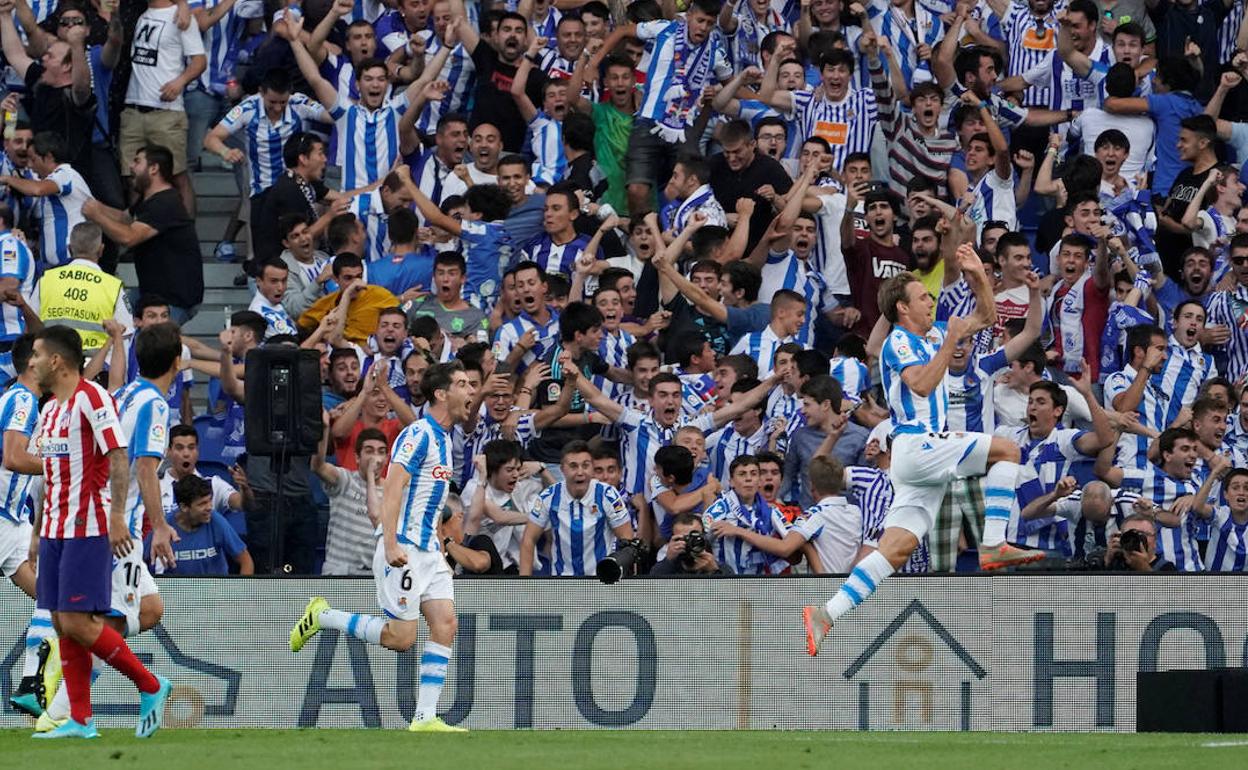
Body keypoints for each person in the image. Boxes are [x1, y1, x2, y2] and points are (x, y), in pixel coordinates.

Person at [803, 245, 1045, 656]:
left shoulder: (931, 334)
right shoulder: (900, 342)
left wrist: (978, 277)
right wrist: (950, 342)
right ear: (902, 307)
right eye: (923, 297)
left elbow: (985, 317)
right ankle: (991, 544)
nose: (931, 301)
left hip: (917, 462)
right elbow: (920, 384)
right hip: (918, 443)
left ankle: (826, 613)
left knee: (895, 550)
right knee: (1008, 451)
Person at [290, 361, 475, 733]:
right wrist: (390, 542)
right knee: (401, 639)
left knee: (446, 624)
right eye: (463, 384)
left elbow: (429, 499)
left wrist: (438, 544)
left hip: (428, 551)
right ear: (442, 394)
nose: (471, 391)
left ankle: (424, 718)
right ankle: (324, 615)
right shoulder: (418, 434)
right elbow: (393, 487)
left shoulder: (445, 437)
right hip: (403, 546)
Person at [23, 326, 171, 738]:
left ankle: (151, 684)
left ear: (56, 360)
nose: (31, 362)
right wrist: (36, 531)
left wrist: (118, 516)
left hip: (88, 526)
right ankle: (81, 720)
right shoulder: (50, 408)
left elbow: (119, 455)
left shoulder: (93, 398)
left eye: (36, 355)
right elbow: (50, 475)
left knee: (78, 619)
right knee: (60, 620)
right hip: (54, 527)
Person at [81, 145, 203, 324]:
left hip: (173, 300)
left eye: (137, 161)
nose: (131, 166)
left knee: (155, 346)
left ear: (154, 169)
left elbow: (128, 237)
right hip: (151, 293)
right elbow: (124, 218)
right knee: (108, 315)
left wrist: (96, 215)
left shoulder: (165, 203)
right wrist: (96, 206)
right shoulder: (149, 199)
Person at [0, 334, 53, 717]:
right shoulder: (20, 400)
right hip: (1, 518)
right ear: (33, 363)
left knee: (53, 598)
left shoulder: (23, 401)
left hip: (14, 521)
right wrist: (61, 467)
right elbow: (14, 458)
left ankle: (30, 686)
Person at [518, 440, 635, 576]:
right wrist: (524, 584)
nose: (580, 472)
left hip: (601, 581)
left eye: (585, 466)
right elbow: (528, 539)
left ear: (592, 468)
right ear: (562, 469)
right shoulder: (548, 496)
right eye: (573, 466)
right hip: (562, 583)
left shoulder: (607, 495)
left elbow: (627, 541)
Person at [32, 222, 130, 355]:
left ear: (70, 248)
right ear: (101, 250)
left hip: (51, 363)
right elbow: (125, 335)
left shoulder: (46, 280)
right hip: (94, 368)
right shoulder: (113, 286)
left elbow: (30, 324)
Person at [312, 424, 387, 576]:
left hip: (374, 575)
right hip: (340, 573)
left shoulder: (392, 491)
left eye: (381, 452)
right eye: (369, 451)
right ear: (357, 457)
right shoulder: (345, 480)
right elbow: (317, 466)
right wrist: (324, 429)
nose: (376, 458)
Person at [159, 476, 254, 576]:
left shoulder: (216, 520)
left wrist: (239, 591)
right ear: (184, 507)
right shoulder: (165, 526)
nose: (209, 507)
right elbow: (143, 560)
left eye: (209, 501)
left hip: (215, 590)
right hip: (174, 590)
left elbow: (246, 562)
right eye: (202, 504)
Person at [649, 512, 730, 575]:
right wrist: (668, 560)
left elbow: (730, 594)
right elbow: (653, 590)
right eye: (684, 538)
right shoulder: (664, 569)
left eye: (694, 538)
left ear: (704, 537)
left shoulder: (721, 568)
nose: (689, 543)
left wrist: (715, 571)